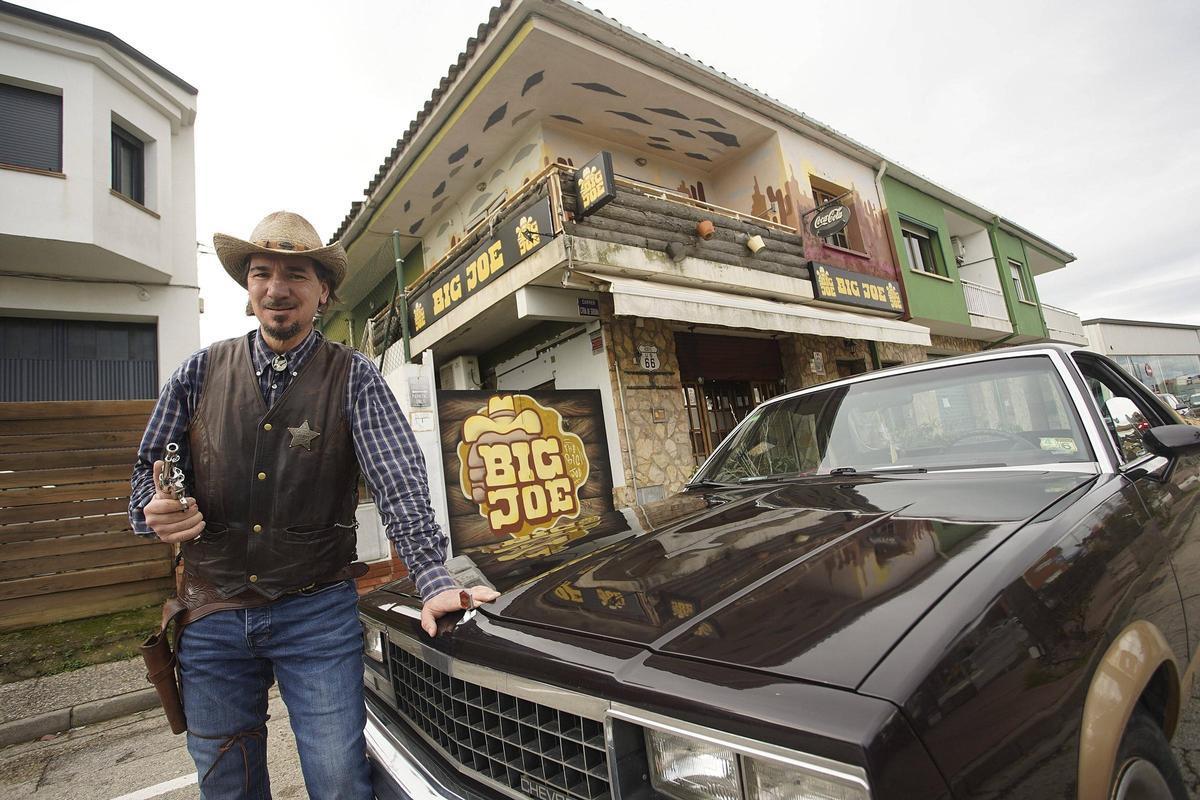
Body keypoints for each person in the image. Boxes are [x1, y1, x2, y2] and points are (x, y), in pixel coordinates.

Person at [128, 210, 498, 799]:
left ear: (322, 292)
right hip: (210, 610)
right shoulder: (199, 371)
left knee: (339, 779)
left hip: (317, 613)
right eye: (262, 273)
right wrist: (154, 509)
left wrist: (432, 579)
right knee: (225, 782)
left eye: (296, 275)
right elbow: (148, 477)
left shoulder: (354, 377)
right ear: (248, 290)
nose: (278, 289)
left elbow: (399, 484)